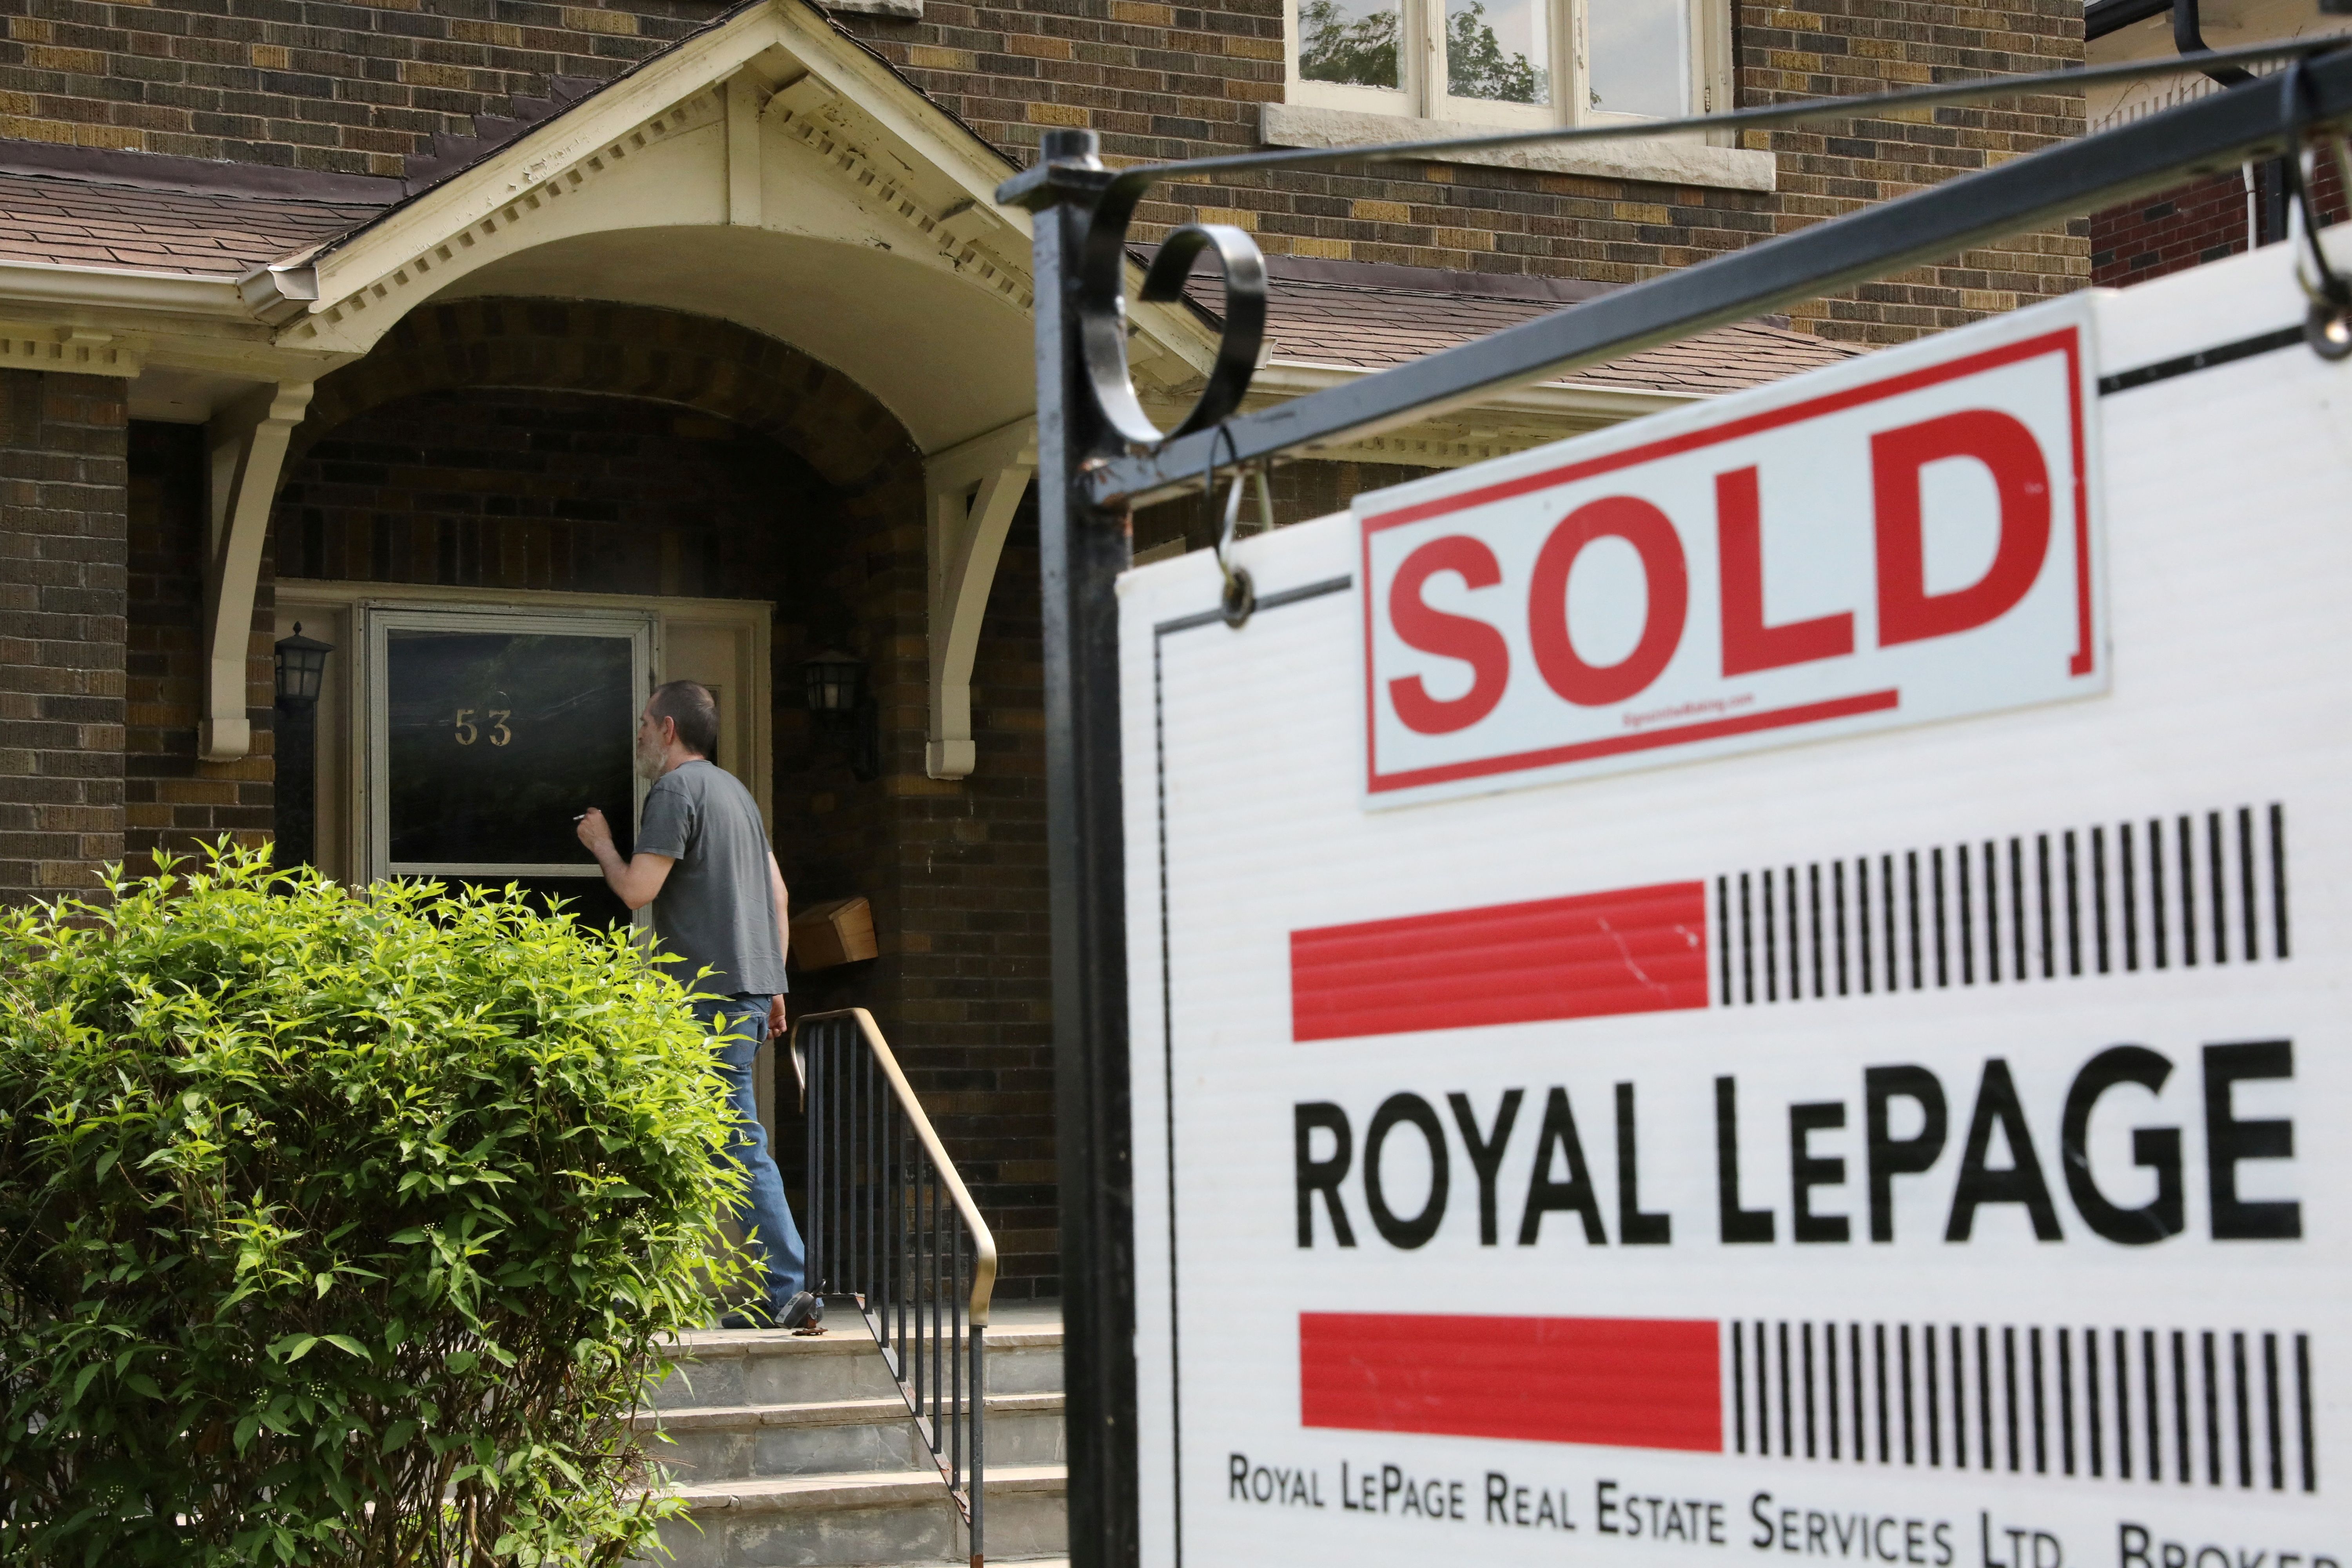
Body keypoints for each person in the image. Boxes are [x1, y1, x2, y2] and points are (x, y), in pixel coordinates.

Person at [575, 679, 820, 1331]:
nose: (639, 739)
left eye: (643, 727)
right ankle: (756, 1290)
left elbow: (636, 890)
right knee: (706, 1140)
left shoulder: (676, 791)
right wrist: (773, 983)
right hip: (744, 993)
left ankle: (786, 1287)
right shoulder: (738, 795)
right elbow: (780, 894)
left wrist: (601, 842)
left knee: (732, 1142)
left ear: (668, 729)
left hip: (706, 999)